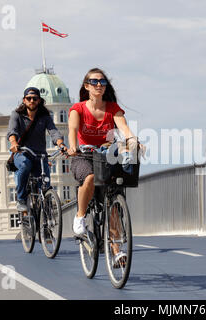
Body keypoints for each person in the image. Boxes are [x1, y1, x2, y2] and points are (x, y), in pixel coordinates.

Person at [68, 68, 140, 266]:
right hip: (83, 155)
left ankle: (117, 251)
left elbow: (124, 128)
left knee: (112, 201)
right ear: (86, 86)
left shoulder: (112, 108)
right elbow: (72, 129)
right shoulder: (78, 108)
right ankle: (80, 217)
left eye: (102, 82)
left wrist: (133, 141)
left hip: (105, 155)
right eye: (94, 81)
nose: (99, 85)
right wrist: (73, 146)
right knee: (89, 178)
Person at [7, 87, 67, 213]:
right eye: (29, 98)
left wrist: (61, 144)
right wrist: (13, 143)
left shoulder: (44, 117)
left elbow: (53, 131)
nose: (32, 101)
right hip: (22, 152)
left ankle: (47, 207)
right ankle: (21, 199)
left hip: (40, 155)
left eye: (35, 98)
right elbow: (12, 131)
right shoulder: (17, 115)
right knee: (25, 165)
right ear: (24, 100)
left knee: (45, 181)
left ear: (39, 101)